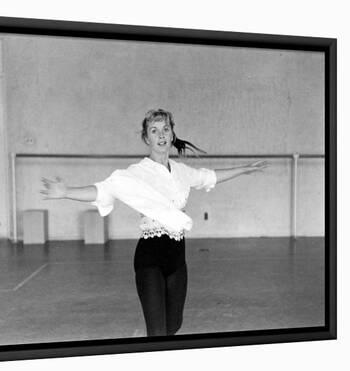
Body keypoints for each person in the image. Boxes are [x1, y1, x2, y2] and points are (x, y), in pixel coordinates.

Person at [40, 109, 268, 337]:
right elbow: (102, 190)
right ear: (146, 138)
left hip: (177, 258)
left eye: (165, 129)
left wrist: (244, 170)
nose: (161, 135)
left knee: (173, 326)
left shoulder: (181, 172)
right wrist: (66, 191)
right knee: (157, 331)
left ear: (171, 135)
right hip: (150, 258)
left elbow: (209, 177)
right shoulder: (134, 173)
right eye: (154, 131)